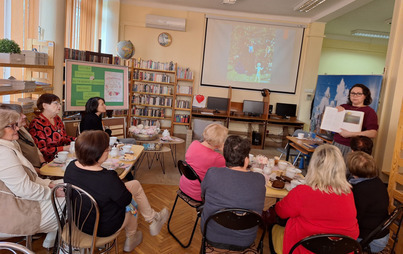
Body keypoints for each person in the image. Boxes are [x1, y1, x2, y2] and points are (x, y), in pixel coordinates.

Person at [64, 130, 169, 252]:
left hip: (80, 221)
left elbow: (96, 187)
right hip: (103, 228)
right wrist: (121, 188)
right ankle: (133, 236)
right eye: (107, 149)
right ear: (98, 153)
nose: (108, 151)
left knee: (135, 185)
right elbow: (126, 200)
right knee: (132, 204)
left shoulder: (71, 167)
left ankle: (152, 218)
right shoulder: (108, 178)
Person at [273, 144, 359, 254]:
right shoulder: (348, 193)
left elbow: (281, 212)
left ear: (314, 165)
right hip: (341, 250)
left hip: (303, 249)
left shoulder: (303, 192)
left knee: (276, 226)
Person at [0, 109, 64, 249]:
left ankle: (56, 241)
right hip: (12, 213)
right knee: (76, 199)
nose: (17, 128)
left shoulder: (9, 145)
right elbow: (25, 189)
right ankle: (68, 247)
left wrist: (50, 184)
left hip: (18, 202)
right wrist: (53, 192)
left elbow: (31, 179)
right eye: (11, 125)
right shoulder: (3, 153)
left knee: (69, 187)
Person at [201, 135, 266, 250]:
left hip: (212, 234)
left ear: (225, 156)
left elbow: (203, 196)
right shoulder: (260, 179)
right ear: (246, 160)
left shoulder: (212, 173)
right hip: (245, 240)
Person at [347, 151, 389, 253]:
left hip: (370, 240)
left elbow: (353, 219)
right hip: (380, 234)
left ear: (353, 170)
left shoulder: (360, 191)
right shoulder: (377, 182)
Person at [179, 123, 228, 201]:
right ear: (220, 142)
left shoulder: (194, 144)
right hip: (198, 194)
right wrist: (224, 151)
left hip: (184, 186)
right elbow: (231, 167)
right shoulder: (217, 158)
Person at [333, 84, 378, 156]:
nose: (355, 96)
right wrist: (333, 112)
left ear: (365, 96)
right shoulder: (343, 107)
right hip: (336, 144)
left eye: (359, 94)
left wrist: (350, 134)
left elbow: (373, 133)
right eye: (353, 93)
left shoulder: (370, 112)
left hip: (352, 148)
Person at [0, 104, 46, 173]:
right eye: (20, 114)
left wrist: (43, 163)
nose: (24, 116)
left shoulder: (22, 129)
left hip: (37, 170)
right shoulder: (8, 140)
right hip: (32, 172)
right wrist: (40, 171)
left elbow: (34, 146)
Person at [29, 93, 75, 162]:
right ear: (44, 105)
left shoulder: (57, 118)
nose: (59, 106)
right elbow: (42, 150)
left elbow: (64, 138)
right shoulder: (36, 123)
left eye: (59, 103)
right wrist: (64, 148)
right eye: (56, 103)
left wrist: (77, 140)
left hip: (62, 157)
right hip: (47, 161)